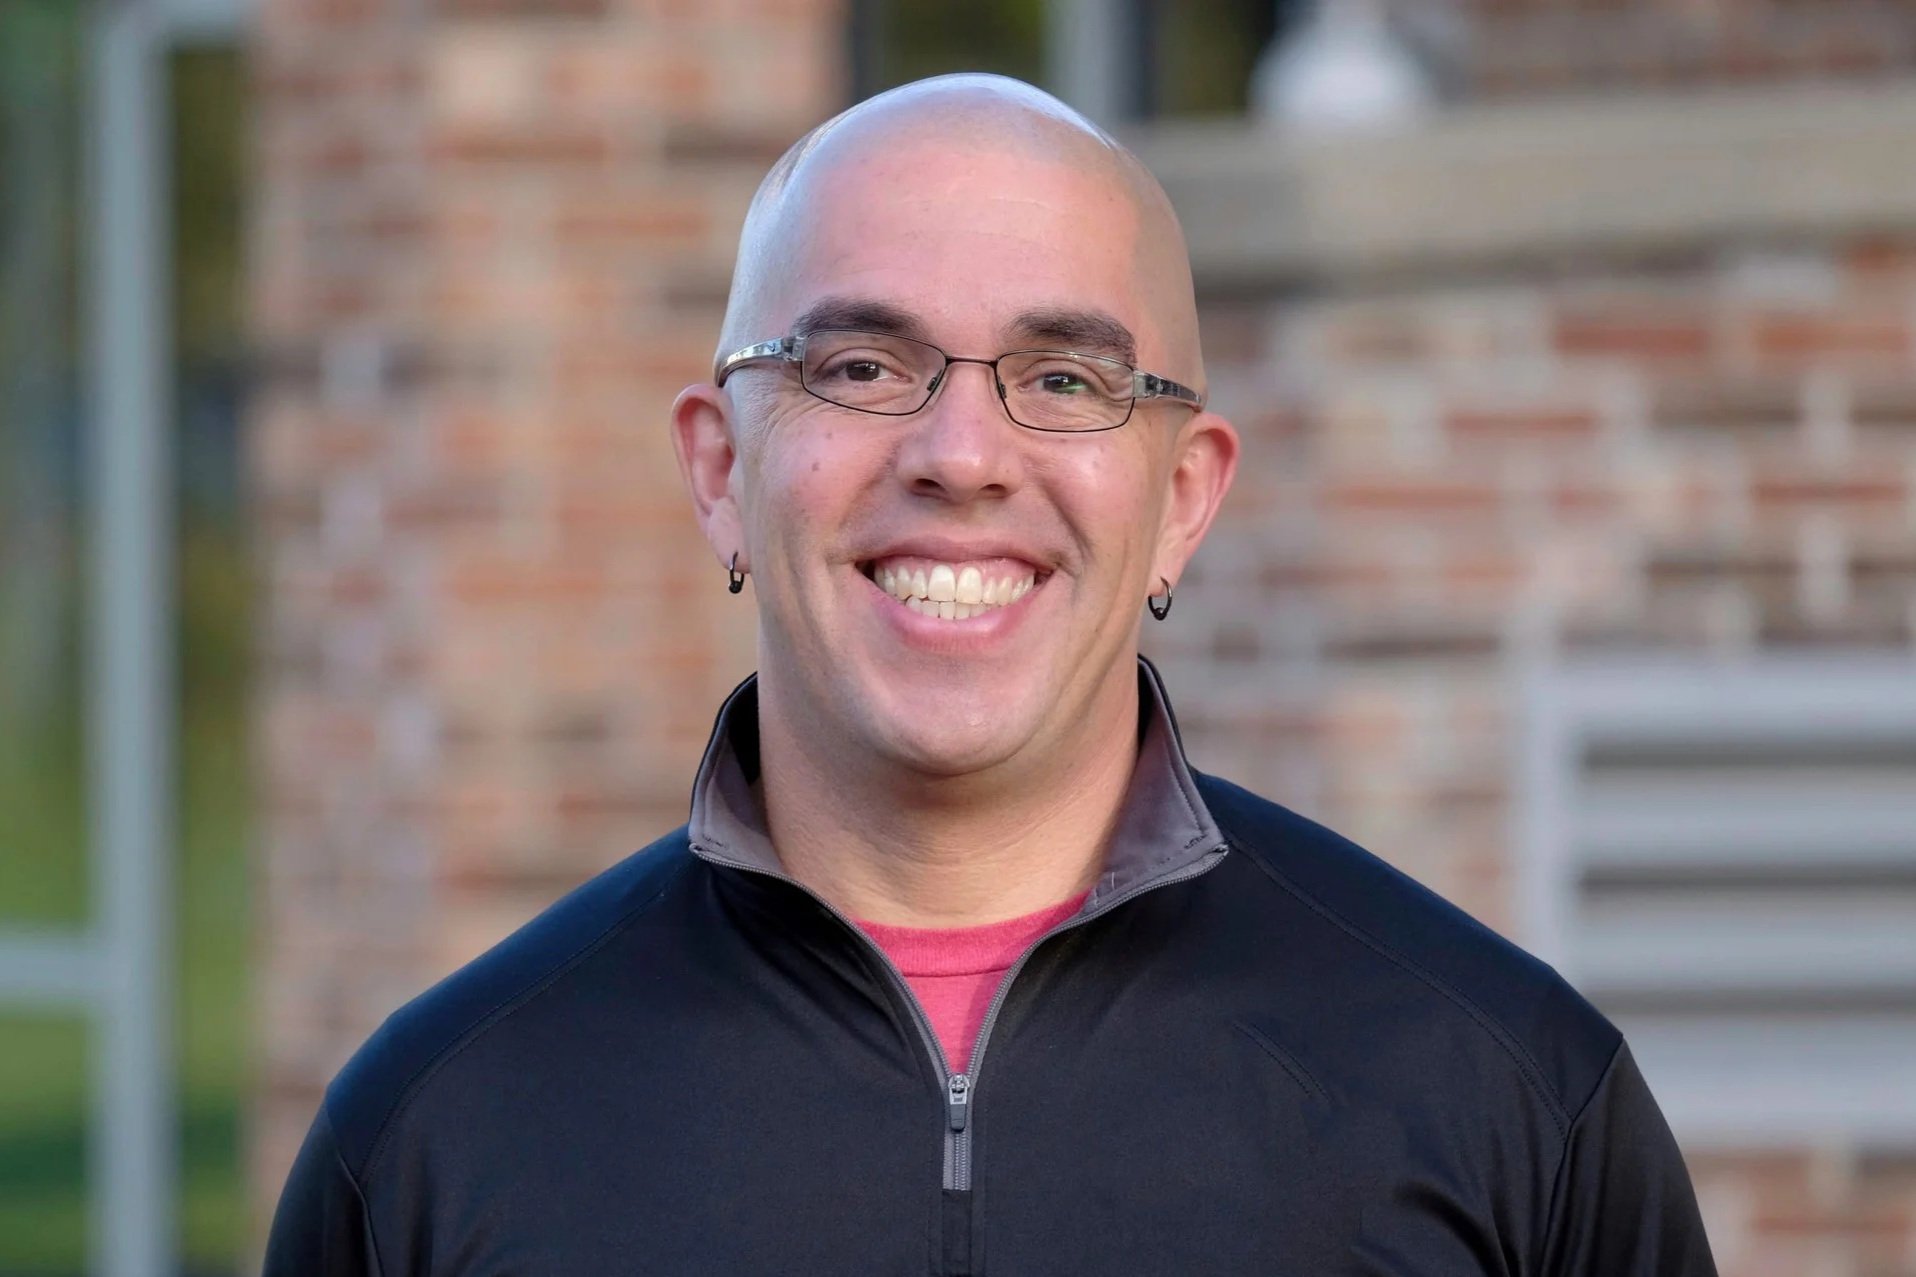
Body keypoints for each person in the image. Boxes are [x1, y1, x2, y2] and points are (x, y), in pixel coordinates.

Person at [265, 74, 1717, 1274]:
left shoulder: (1510, 1105)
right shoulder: (435, 1139)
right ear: (721, 470)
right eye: (857, 366)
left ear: (1186, 498)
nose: (961, 456)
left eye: (1067, 380)